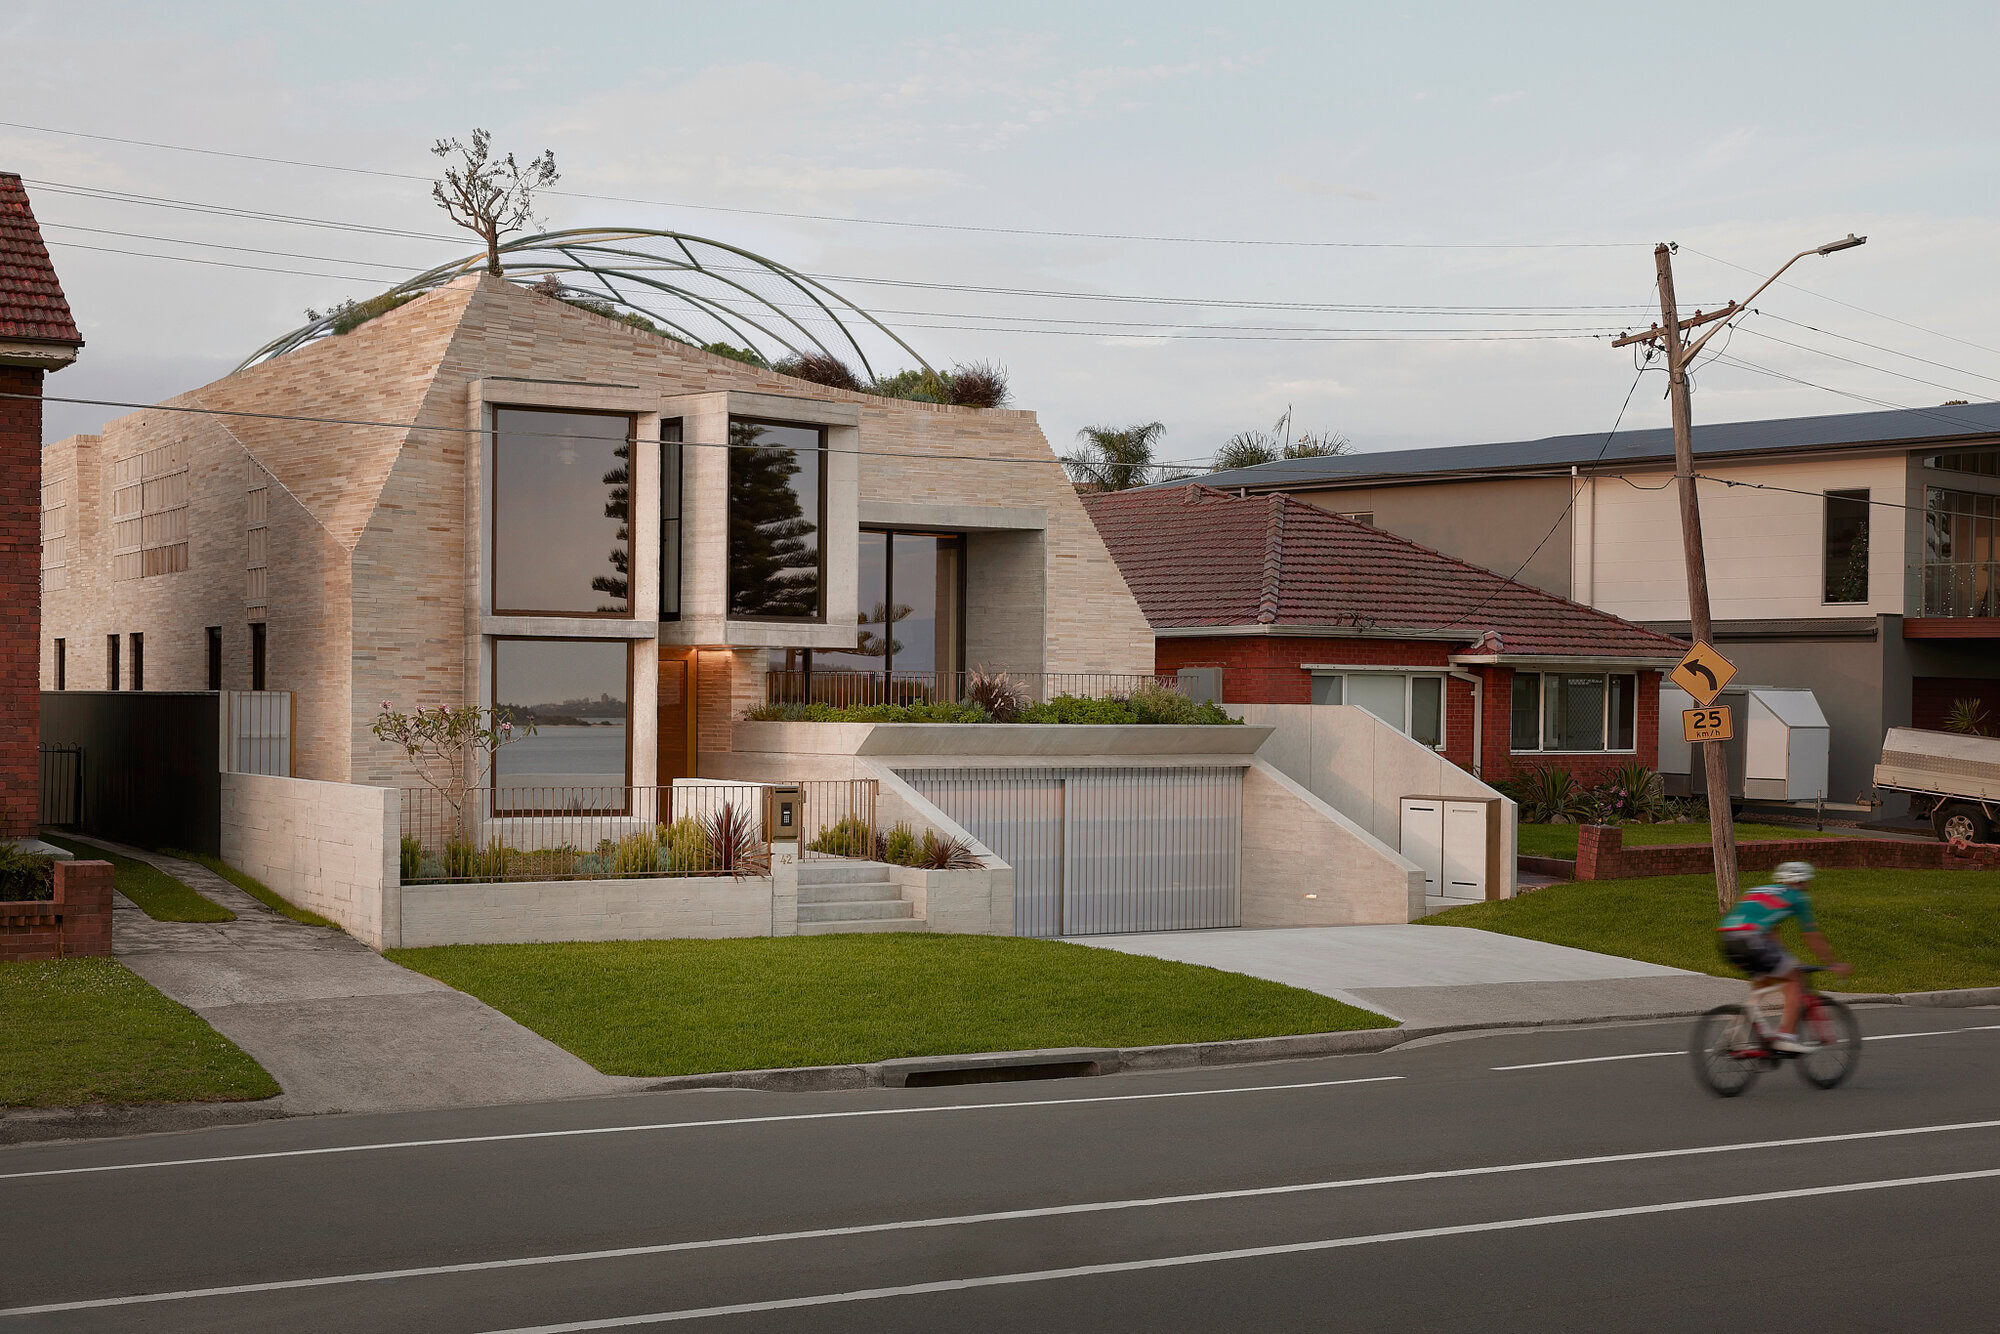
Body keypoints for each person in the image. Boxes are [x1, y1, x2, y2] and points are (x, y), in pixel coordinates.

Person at [1716, 861, 1850, 1053]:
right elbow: (1812, 936)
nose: (1808, 885)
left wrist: (1788, 960)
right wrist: (1833, 963)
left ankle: (1734, 1034)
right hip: (1751, 939)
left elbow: (1772, 934)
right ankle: (1785, 1037)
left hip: (1728, 940)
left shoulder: (1759, 891)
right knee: (1794, 979)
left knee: (1763, 983)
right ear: (1801, 881)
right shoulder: (1797, 897)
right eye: (1807, 882)